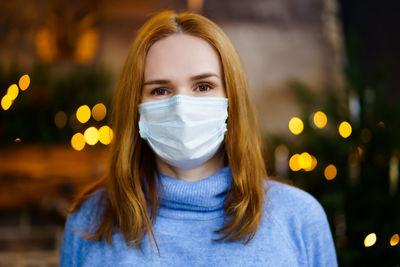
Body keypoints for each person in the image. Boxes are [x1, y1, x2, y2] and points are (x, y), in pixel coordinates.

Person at [60, 10, 338, 266]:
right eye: (160, 90)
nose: (181, 107)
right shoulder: (91, 218)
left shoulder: (299, 216)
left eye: (203, 86)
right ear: (136, 108)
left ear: (231, 100)